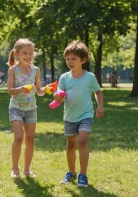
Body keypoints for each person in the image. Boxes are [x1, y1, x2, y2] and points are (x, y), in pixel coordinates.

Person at [54, 40, 104, 187]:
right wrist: (57, 97)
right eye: (68, 59)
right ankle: (71, 172)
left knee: (82, 141)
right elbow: (59, 95)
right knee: (70, 145)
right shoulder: (64, 78)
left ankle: (83, 175)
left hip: (85, 115)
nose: (70, 62)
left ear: (83, 60)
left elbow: (98, 92)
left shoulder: (89, 77)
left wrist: (100, 106)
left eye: (73, 59)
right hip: (69, 116)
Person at [7, 38, 47, 178]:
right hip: (16, 108)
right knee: (18, 138)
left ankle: (27, 170)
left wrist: (46, 90)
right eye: (25, 53)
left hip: (31, 109)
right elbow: (10, 91)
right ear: (16, 54)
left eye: (31, 53)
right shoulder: (13, 70)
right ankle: (14, 169)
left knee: (29, 139)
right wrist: (21, 89)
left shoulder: (35, 70)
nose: (28, 56)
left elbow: (39, 91)